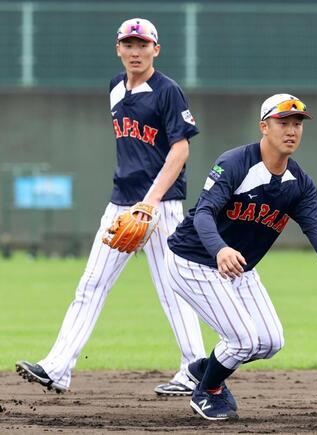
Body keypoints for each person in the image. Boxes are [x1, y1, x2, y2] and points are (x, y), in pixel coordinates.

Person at [16, 18, 206, 396]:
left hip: (160, 207)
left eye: (143, 44)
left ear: (156, 49)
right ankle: (57, 368)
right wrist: (132, 203)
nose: (136, 51)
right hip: (120, 204)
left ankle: (195, 370)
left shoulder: (168, 91)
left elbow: (180, 149)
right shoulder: (115, 88)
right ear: (118, 49)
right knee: (91, 285)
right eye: (128, 44)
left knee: (173, 288)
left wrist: (149, 203)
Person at [165, 94, 317, 420]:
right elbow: (203, 215)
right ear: (264, 126)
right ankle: (208, 390)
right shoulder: (235, 163)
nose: (292, 130)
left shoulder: (298, 183)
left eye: (297, 124)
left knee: (270, 342)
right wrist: (221, 248)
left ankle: (206, 369)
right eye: (283, 122)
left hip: (238, 266)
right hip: (194, 260)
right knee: (242, 340)